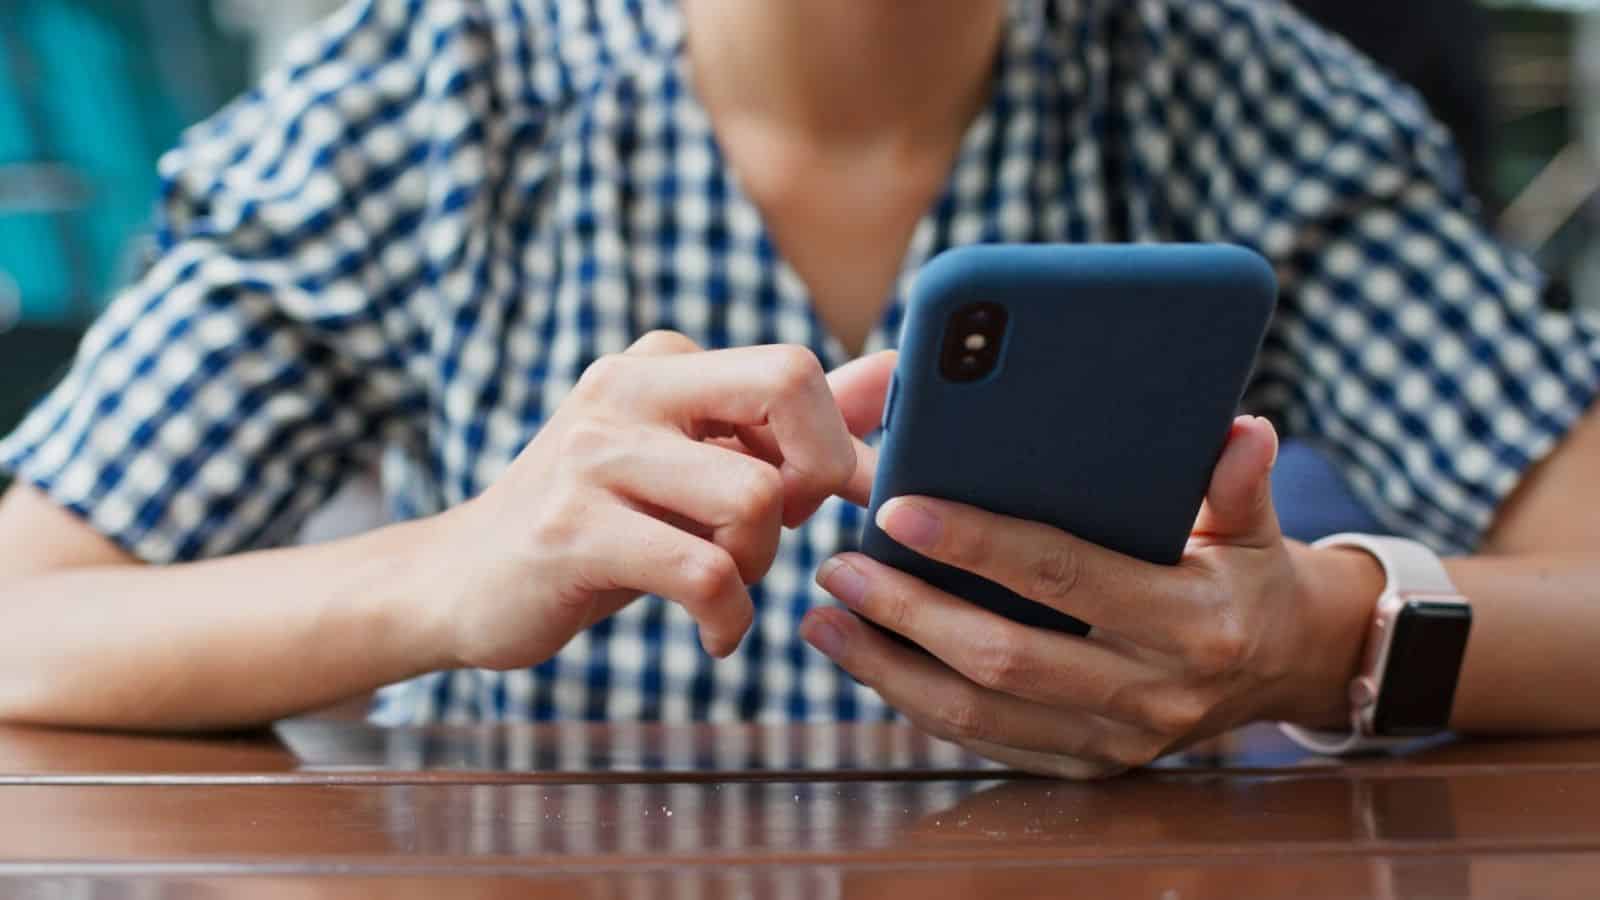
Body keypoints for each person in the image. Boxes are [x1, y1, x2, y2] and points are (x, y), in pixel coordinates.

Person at [0, 0, 1597, 779]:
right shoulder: (418, 94)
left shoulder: (1249, 91)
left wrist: (1325, 641)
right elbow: (22, 612)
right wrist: (450, 565)